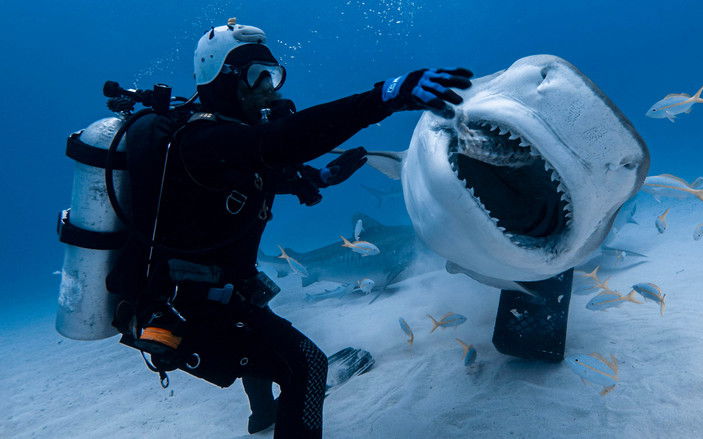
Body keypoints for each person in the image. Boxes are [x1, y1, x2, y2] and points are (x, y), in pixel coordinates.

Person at [108, 18, 472, 438]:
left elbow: (265, 170)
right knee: (308, 366)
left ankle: (263, 414)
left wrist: (317, 179)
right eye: (255, 75)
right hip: (177, 308)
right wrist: (383, 98)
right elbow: (275, 145)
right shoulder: (200, 140)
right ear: (221, 79)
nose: (270, 87)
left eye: (274, 75)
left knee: (253, 316)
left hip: (214, 294)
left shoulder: (227, 146)